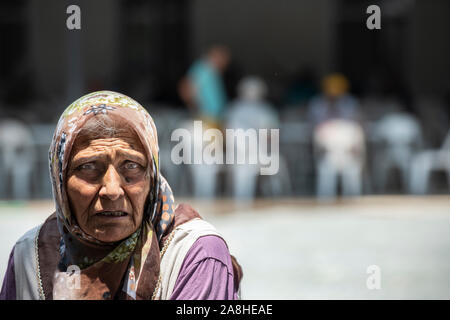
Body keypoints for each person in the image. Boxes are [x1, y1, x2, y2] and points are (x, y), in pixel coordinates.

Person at [0, 90, 242, 300]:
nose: (112, 191)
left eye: (132, 166)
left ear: (153, 178)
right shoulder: (30, 257)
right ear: (60, 181)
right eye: (88, 167)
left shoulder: (194, 254)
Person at [179, 45, 230, 128]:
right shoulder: (202, 70)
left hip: (214, 117)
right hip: (206, 117)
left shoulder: (213, 71)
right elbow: (186, 89)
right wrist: (194, 108)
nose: (225, 65)